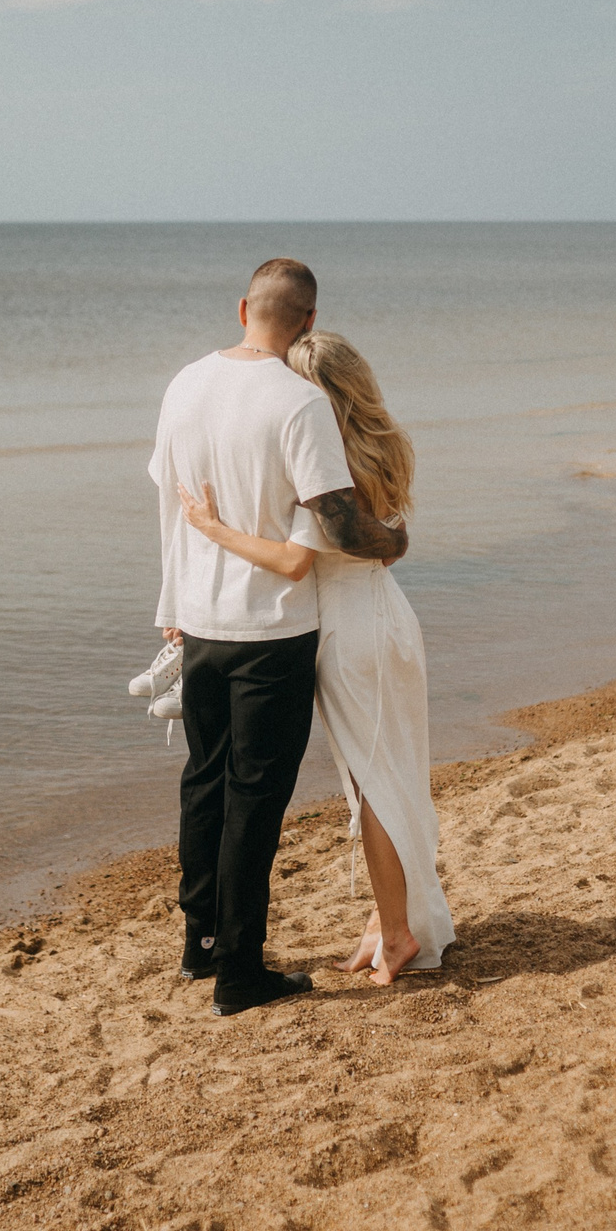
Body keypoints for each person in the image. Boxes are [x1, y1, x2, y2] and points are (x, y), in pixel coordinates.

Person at [148, 259, 408, 1016]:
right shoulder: (300, 402)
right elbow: (329, 521)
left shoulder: (184, 383)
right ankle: (239, 971)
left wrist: (172, 597)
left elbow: (170, 504)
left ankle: (199, 946)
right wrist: (392, 543)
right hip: (272, 628)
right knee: (254, 800)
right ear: (307, 324)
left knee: (203, 780)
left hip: (199, 618)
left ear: (241, 308)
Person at [177, 330, 452, 985]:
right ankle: (388, 922)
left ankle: (396, 932)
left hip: (350, 637)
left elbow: (301, 559)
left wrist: (212, 531)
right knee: (391, 777)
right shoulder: (376, 448)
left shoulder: (319, 468)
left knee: (374, 787)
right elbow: (383, 546)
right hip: (385, 618)